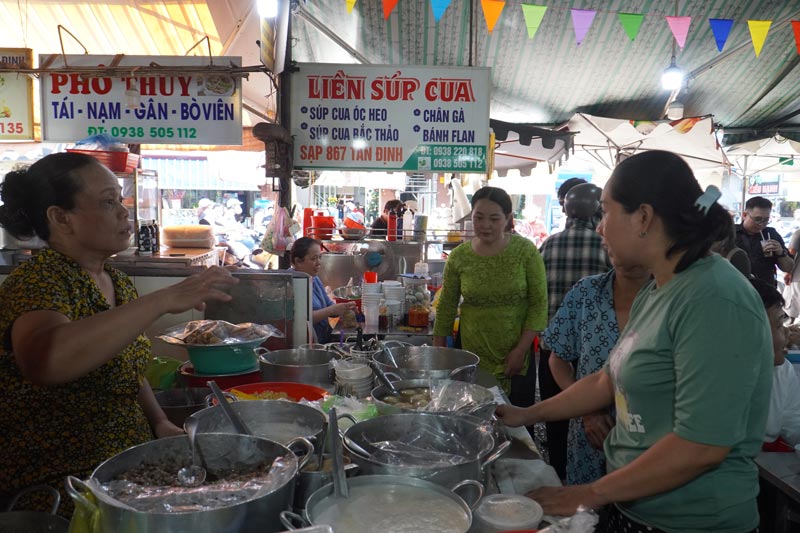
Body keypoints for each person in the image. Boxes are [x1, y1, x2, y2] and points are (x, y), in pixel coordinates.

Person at [497, 150, 772, 532]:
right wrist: (526, 416)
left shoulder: (713, 297)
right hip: (633, 508)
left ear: (643, 217)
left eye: (606, 212)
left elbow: (702, 446)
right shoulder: (658, 288)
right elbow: (605, 380)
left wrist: (589, 493)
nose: (599, 227)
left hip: (690, 522)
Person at [0, 152, 239, 516]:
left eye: (121, 200)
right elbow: (45, 361)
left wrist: (159, 422)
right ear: (60, 218)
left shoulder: (116, 281)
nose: (124, 212)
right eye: (108, 202)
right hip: (66, 487)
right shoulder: (38, 280)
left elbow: (124, 364)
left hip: (128, 464)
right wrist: (163, 299)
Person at [432, 186, 548, 398]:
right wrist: (438, 354)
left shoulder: (526, 252)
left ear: (508, 219)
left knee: (515, 424)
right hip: (470, 353)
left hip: (516, 354)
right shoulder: (459, 256)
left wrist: (521, 350)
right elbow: (446, 307)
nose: (485, 225)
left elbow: (539, 304)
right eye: (479, 217)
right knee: (471, 420)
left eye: (494, 219)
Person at [544, 258, 650, 486]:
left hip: (648, 443)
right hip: (590, 436)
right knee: (587, 516)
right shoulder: (587, 291)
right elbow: (558, 359)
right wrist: (587, 412)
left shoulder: (671, 298)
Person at [537, 182, 611, 479]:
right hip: (596, 354)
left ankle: (557, 479)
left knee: (556, 419)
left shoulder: (550, 244)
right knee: (596, 428)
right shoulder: (606, 245)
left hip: (553, 349)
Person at [748, 277, 800, 450]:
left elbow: (792, 420)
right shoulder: (715, 382)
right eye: (779, 325)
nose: (786, 333)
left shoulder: (783, 371)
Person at [290, 237, 356, 343]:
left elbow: (328, 305)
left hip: (324, 338)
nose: (319, 262)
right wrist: (332, 310)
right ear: (298, 261)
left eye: (319, 257)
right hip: (306, 343)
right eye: (313, 258)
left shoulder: (314, 278)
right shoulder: (291, 283)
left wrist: (344, 309)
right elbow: (302, 318)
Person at [735, 196, 792, 286]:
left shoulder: (771, 234)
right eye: (757, 219)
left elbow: (789, 268)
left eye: (766, 220)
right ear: (745, 215)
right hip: (737, 288)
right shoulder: (732, 233)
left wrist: (781, 253)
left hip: (766, 290)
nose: (761, 224)